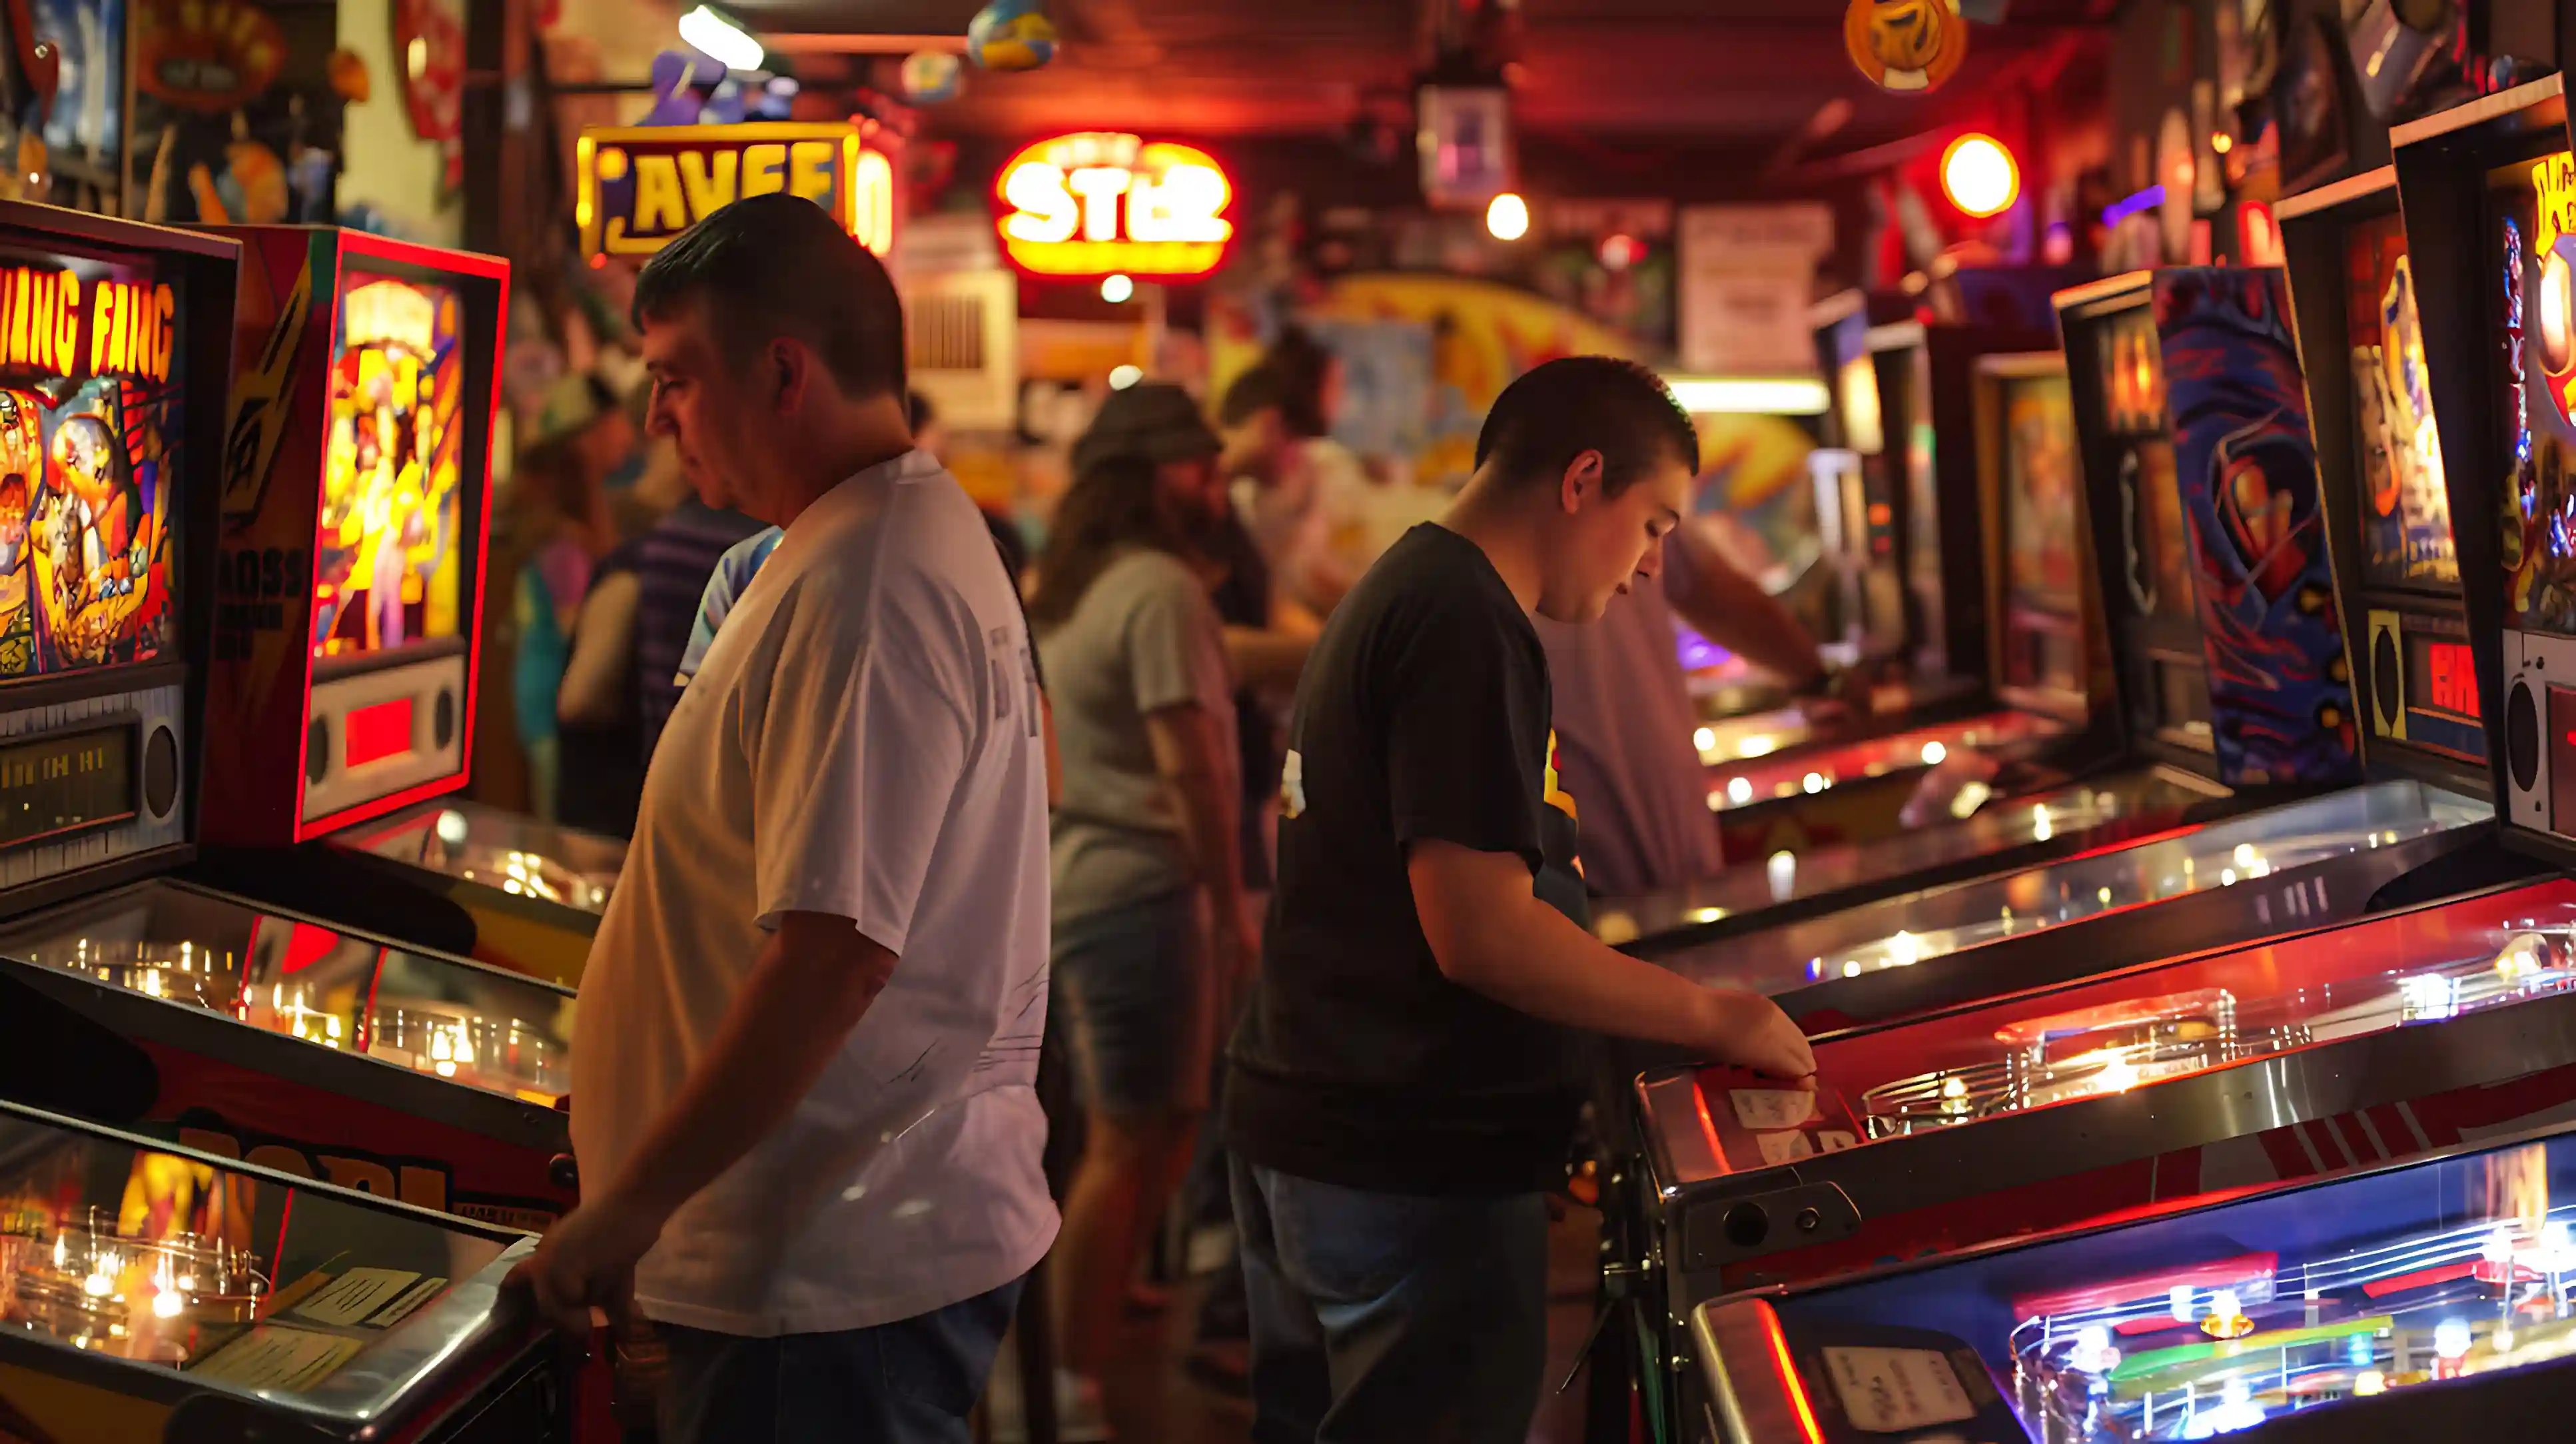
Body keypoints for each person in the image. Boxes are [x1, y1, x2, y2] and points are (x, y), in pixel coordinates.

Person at [506, 193, 1054, 1444]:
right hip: (823, 1254)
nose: (655, 417)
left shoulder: (869, 583)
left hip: (825, 1268)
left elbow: (832, 955)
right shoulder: (846, 543)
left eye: (675, 378)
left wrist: (625, 1209)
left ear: (782, 373)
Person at [1221, 357, 1817, 1444]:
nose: (1650, 567)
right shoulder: (1463, 618)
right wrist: (1712, 1015)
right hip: (1400, 1153)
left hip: (1333, 1123)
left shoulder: (1420, 585)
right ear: (1583, 479)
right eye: (1653, 524)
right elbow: (1482, 930)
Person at [1034, 384, 1254, 1439]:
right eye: (1199, 468)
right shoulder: (1158, 587)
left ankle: (1100, 1306)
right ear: (1152, 475)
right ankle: (1068, 1382)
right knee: (1128, 1138)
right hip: (1139, 890)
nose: (1216, 487)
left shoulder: (1077, 585)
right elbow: (1193, 765)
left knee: (1155, 1124)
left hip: (1086, 882)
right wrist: (1230, 903)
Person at [1534, 516, 1836, 896]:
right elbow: (1710, 589)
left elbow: (1706, 588)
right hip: (1580, 887)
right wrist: (1821, 681)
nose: (1652, 563)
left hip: (1658, 864)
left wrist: (1817, 680)